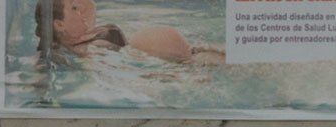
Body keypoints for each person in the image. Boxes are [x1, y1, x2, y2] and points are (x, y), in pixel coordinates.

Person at [35, 0, 225, 63]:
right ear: (59, 25)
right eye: (73, 9)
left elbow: (89, 5)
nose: (79, 8)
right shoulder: (78, 50)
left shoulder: (85, 33)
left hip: (184, 53)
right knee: (237, 64)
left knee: (230, 56)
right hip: (173, 64)